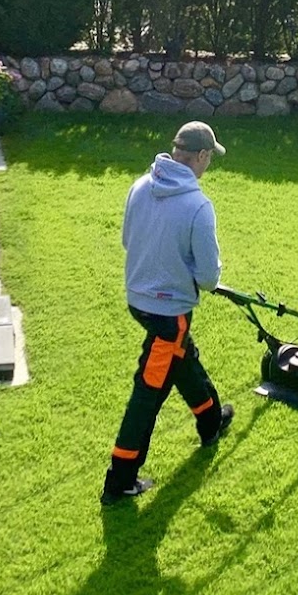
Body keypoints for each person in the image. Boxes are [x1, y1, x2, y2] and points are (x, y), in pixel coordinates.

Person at [101, 121, 234, 505]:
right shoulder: (198, 206)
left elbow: (128, 240)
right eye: (210, 158)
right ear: (202, 156)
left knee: (182, 360)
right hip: (169, 315)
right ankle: (119, 481)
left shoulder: (140, 186)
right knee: (148, 393)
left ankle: (211, 421)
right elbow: (208, 278)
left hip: (138, 301)